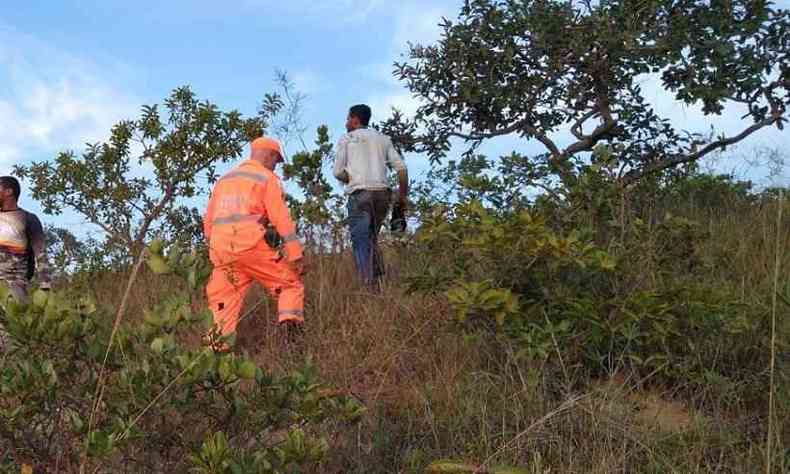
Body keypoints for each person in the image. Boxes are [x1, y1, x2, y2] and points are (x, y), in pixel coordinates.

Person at [203, 137, 305, 349]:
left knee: (223, 303)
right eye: (276, 160)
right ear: (269, 155)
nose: (276, 165)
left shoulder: (225, 180)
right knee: (290, 285)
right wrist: (295, 252)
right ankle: (291, 343)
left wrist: (214, 249)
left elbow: (208, 223)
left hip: (221, 250)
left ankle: (216, 359)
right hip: (250, 245)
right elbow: (281, 217)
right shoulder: (266, 178)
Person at [333, 104, 408, 287]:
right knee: (371, 238)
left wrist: (349, 178)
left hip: (360, 194)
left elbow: (337, 172)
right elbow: (402, 169)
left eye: (348, 118)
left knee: (361, 242)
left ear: (355, 119)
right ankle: (378, 281)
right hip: (383, 195)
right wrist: (402, 198)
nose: (346, 122)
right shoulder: (383, 139)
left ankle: (368, 286)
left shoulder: (347, 139)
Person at [0, 176, 52, 350]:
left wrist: (45, 286)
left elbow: (41, 252)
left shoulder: (28, 219)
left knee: (12, 341)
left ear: (9, 192)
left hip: (14, 286)